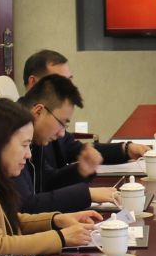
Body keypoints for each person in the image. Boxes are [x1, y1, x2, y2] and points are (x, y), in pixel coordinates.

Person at [0, 98, 97, 256]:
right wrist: (61, 237)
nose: (28, 154)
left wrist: (57, 220)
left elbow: (9, 220)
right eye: (24, 145)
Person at [20, 48, 148, 196]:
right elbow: (29, 201)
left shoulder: (43, 123)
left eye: (69, 80)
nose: (68, 87)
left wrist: (125, 149)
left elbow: (49, 179)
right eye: (61, 81)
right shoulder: (17, 131)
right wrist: (87, 194)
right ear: (34, 82)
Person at [12, 73, 121, 213]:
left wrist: (80, 171)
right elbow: (27, 206)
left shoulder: (34, 132)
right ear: (39, 112)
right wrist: (87, 194)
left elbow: (45, 183)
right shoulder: (10, 135)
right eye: (61, 123)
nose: (62, 133)